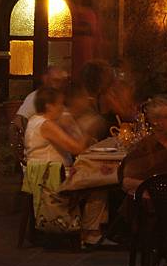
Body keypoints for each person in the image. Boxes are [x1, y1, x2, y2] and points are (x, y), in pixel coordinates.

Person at [22, 88, 109, 246]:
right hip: (53, 179)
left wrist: (71, 125)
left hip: (49, 175)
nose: (63, 108)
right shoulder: (46, 125)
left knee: (98, 177)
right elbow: (77, 148)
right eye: (60, 105)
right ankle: (91, 233)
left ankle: (91, 231)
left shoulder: (36, 120)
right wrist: (88, 129)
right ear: (49, 106)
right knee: (101, 184)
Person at [121, 95, 167, 195]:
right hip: (150, 204)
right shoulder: (144, 147)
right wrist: (159, 185)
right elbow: (126, 182)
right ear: (153, 121)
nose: (164, 122)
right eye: (161, 118)